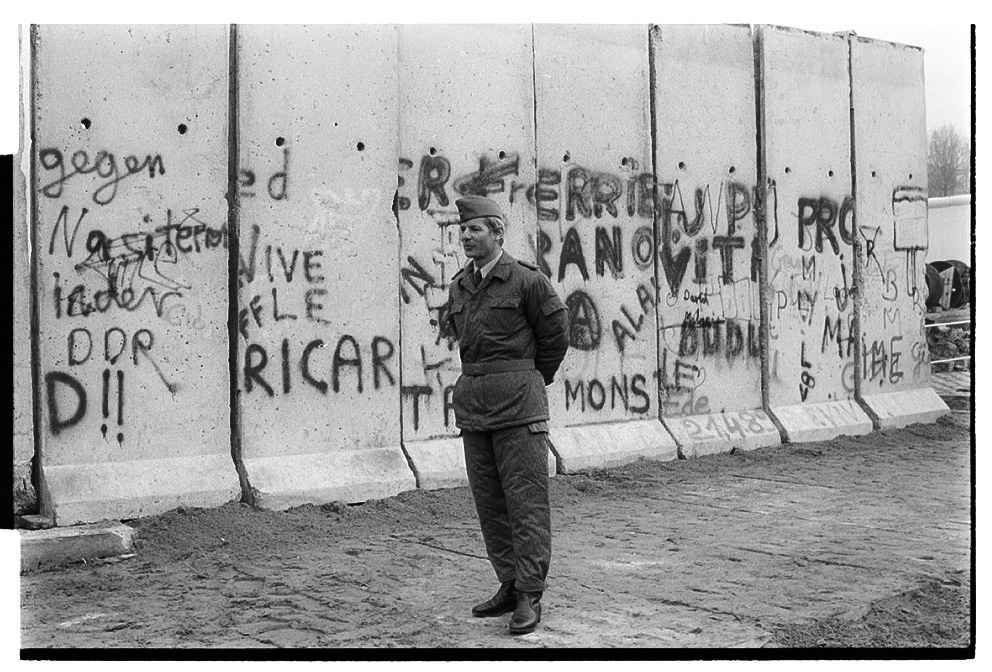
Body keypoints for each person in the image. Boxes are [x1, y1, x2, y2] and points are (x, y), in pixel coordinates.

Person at [446, 195, 570, 635]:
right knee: (490, 503)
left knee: (525, 501)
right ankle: (508, 581)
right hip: (474, 407)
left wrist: (530, 382)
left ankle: (529, 594)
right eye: (462, 230)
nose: (466, 236)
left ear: (498, 232)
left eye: (475, 229)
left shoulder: (525, 281)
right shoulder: (460, 285)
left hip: (518, 406)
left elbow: (555, 336)